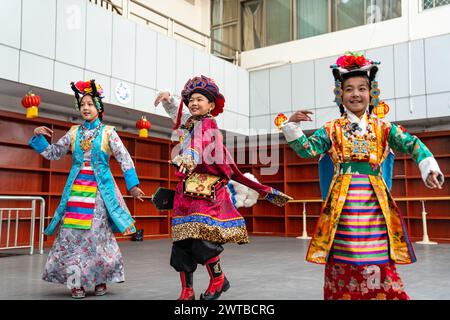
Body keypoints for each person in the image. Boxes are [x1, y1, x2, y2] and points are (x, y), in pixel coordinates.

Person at [281, 52, 444, 300]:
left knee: (378, 255)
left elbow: (412, 143)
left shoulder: (384, 127)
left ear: (371, 93)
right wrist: (292, 126)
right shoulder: (331, 129)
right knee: (344, 257)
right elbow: (307, 149)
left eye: (361, 88)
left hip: (375, 206)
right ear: (340, 95)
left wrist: (429, 167)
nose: (355, 94)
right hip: (342, 206)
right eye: (348, 89)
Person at [154, 75, 291, 300]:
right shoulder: (191, 122)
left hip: (206, 193)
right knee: (181, 242)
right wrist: (170, 99)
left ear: (211, 105)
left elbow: (199, 143)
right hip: (186, 191)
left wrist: (188, 157)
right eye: (191, 100)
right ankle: (186, 290)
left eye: (200, 99)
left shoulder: (207, 124)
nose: (194, 103)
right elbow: (181, 117)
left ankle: (218, 279)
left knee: (202, 240)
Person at [29, 80, 145, 299]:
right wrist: (38, 137)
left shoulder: (109, 133)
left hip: (100, 196)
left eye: (90, 104)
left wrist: (134, 186)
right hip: (75, 194)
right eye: (82, 104)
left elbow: (124, 158)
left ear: (98, 107)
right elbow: (54, 153)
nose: (86, 108)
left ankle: (100, 280)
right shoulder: (73, 133)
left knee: (98, 238)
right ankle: (75, 283)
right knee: (72, 238)